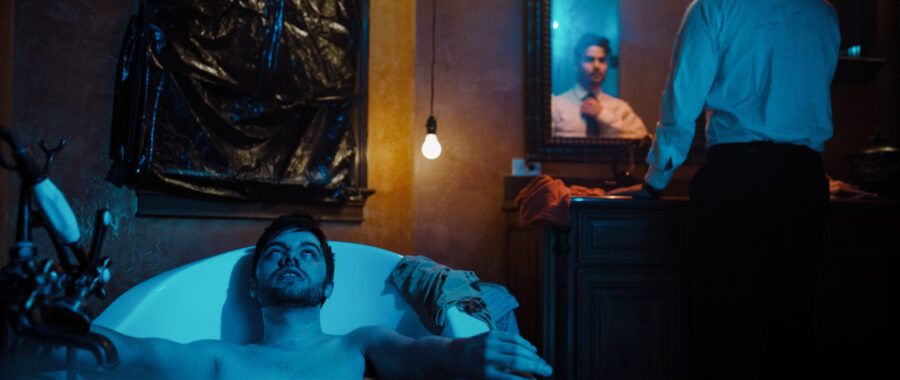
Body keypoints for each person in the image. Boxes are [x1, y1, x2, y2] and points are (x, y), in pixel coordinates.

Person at [20, 212, 553, 379]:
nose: (291, 258)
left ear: (328, 285)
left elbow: (419, 355)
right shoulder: (219, 358)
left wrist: (466, 350)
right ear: (254, 284)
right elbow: (134, 352)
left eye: (307, 252)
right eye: (275, 253)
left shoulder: (360, 344)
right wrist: (40, 327)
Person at [611, 0, 839, 378]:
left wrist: (655, 182)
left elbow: (683, 99)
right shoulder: (823, 12)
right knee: (793, 320)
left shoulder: (715, 7)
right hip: (804, 182)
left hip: (737, 179)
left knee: (726, 322)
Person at [551, 34, 648, 139]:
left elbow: (643, 140)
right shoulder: (556, 106)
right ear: (576, 64)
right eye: (589, 59)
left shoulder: (620, 109)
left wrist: (602, 114)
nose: (597, 66)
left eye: (602, 60)